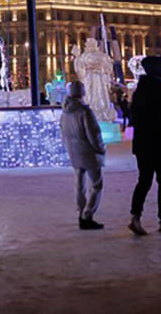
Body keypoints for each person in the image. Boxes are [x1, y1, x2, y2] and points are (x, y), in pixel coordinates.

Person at [128, 55, 161, 235]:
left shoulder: (139, 90)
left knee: (144, 180)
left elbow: (135, 118)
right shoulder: (160, 89)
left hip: (142, 143)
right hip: (159, 142)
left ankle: (135, 215)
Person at [60, 81, 106, 230]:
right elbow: (94, 134)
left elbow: (63, 133)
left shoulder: (65, 112)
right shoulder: (85, 112)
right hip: (88, 152)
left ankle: (81, 212)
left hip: (74, 152)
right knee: (96, 184)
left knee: (79, 184)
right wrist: (101, 149)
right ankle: (88, 214)